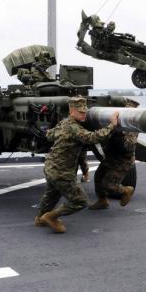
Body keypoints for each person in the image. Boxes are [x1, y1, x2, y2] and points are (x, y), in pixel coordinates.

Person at [35, 96, 118, 233]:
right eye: (80, 112)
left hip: (51, 168)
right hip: (62, 171)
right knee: (80, 201)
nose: (84, 114)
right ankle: (51, 217)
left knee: (52, 195)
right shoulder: (74, 127)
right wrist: (112, 125)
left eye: (85, 111)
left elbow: (49, 135)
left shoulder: (64, 123)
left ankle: (39, 219)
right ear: (72, 111)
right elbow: (93, 138)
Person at [89, 99, 139, 210]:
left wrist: (116, 131)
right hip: (111, 155)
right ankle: (102, 201)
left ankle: (126, 190)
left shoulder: (132, 128)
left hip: (122, 160)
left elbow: (126, 148)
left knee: (109, 185)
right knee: (98, 177)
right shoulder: (117, 121)